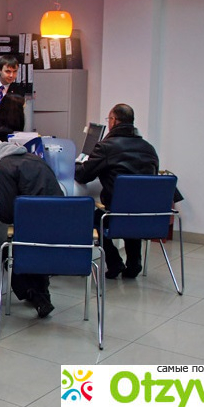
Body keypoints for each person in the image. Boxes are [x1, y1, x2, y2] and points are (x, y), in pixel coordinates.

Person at [0, 138, 64, 318]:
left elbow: (4, 214)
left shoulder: (1, 167)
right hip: (59, 229)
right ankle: (41, 294)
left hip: (33, 232)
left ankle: (35, 296)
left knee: (9, 251)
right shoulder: (33, 158)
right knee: (30, 244)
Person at [74, 103, 159, 279]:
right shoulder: (149, 149)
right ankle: (134, 263)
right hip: (148, 217)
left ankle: (114, 262)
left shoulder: (106, 147)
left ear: (113, 120)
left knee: (91, 217)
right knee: (133, 206)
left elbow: (83, 175)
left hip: (116, 215)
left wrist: (76, 164)